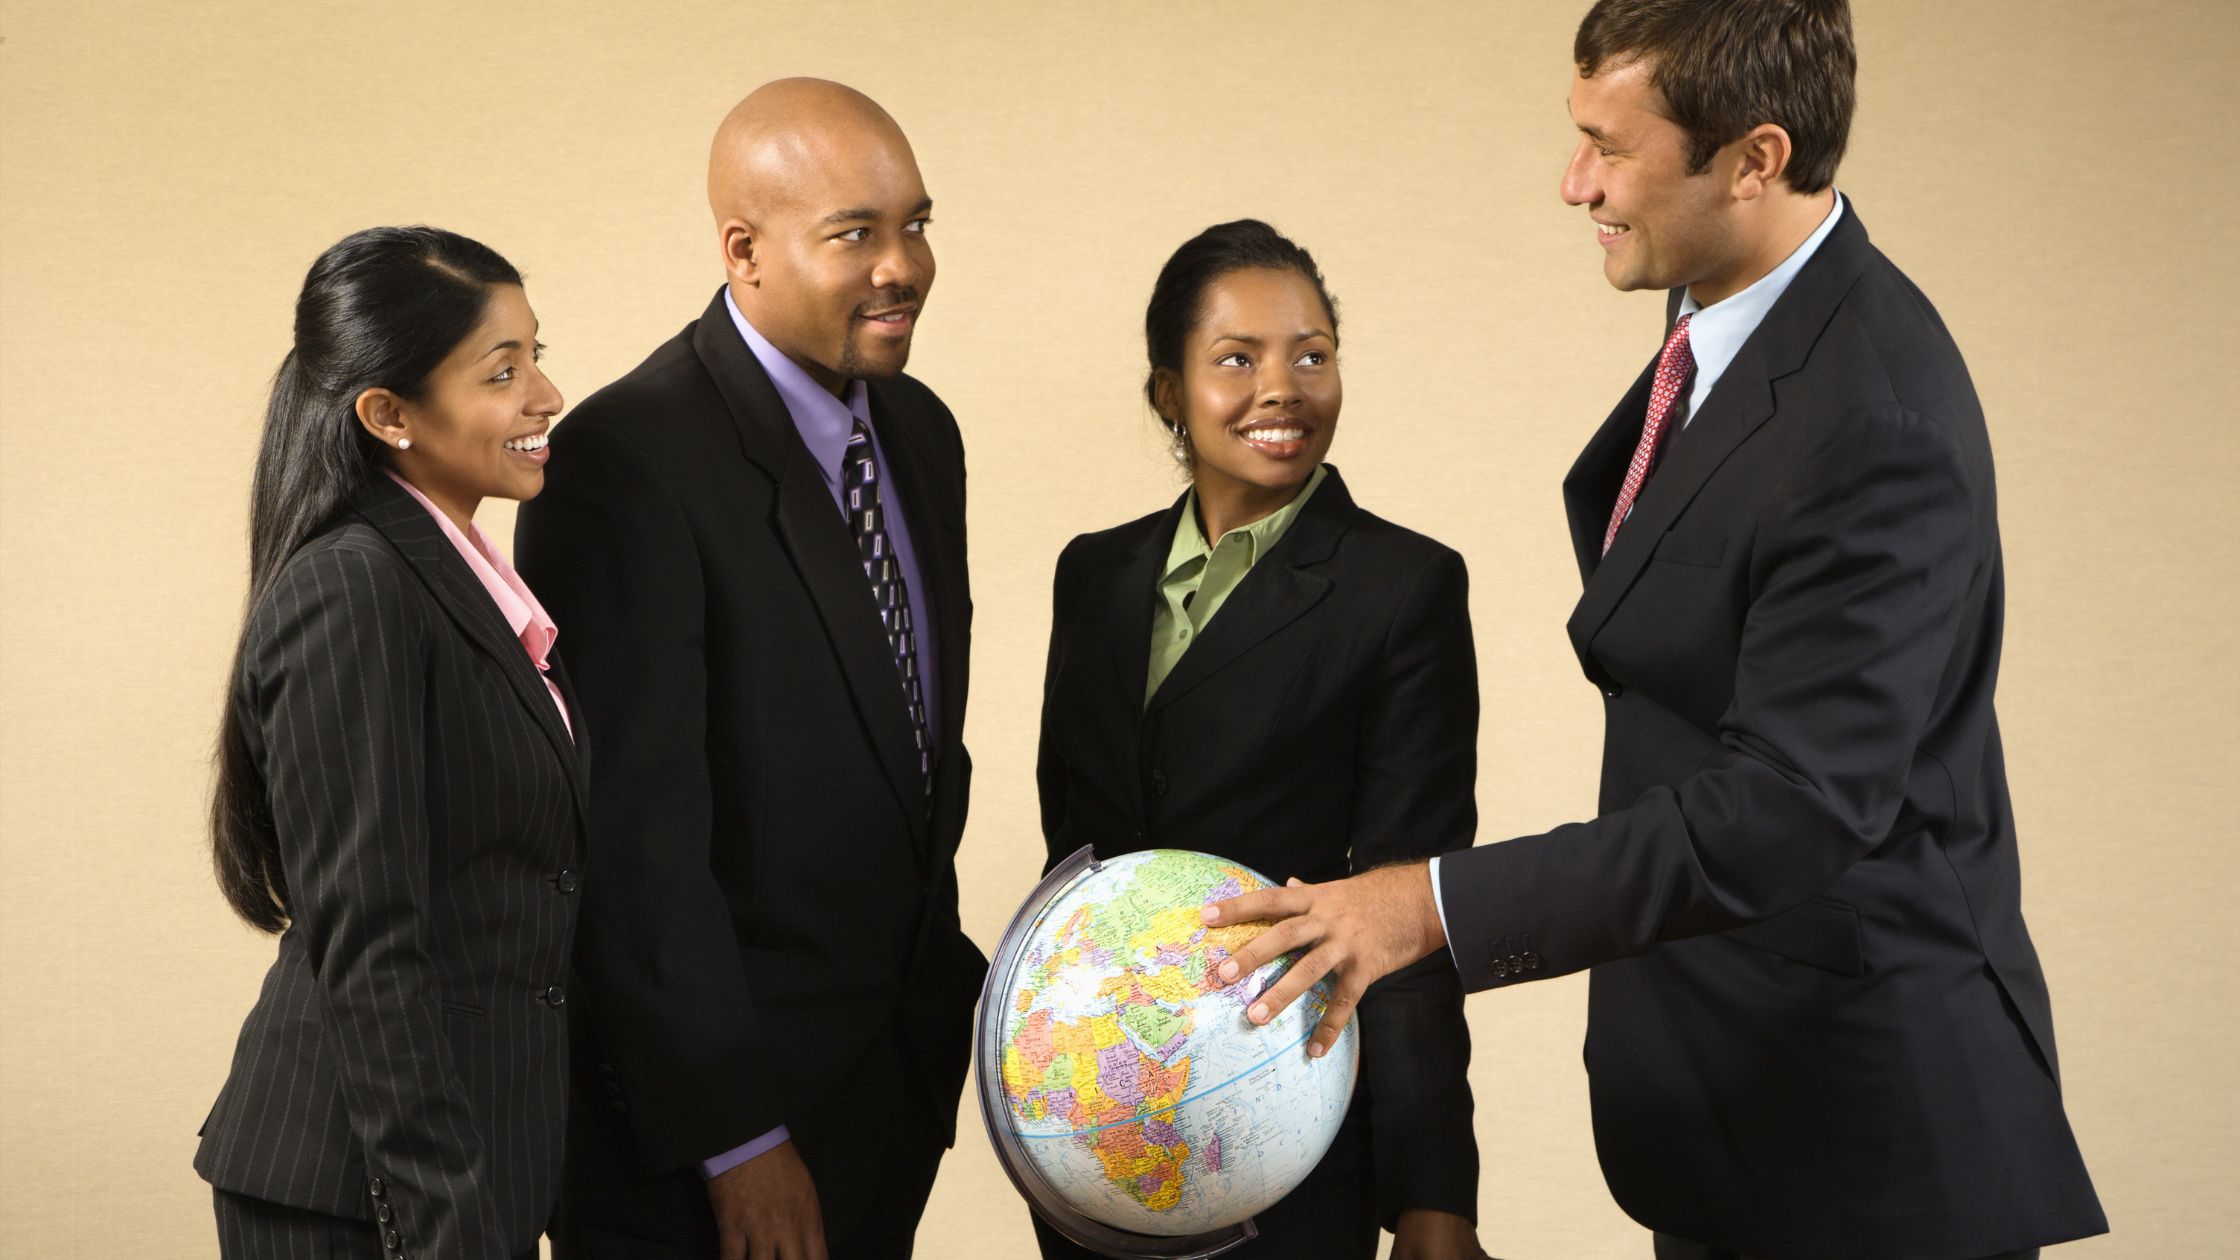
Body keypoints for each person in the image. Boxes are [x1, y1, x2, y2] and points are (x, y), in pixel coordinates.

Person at [1203, 3, 2109, 1259]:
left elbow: (1788, 805)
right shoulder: (1720, 307)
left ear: (1755, 159)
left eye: (1610, 151)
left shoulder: (1871, 420)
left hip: (1857, 1138)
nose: (1572, 183)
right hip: (1723, 1099)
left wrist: (1429, 907)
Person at [514, 79, 983, 1260]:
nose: (902, 266)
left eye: (915, 224)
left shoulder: (919, 433)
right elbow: (633, 842)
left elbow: (912, 747)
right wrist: (736, 1139)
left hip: (890, 1090)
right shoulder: (623, 462)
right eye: (854, 234)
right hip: (714, 1140)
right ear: (743, 250)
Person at [1032, 220, 1488, 1260]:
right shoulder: (1093, 576)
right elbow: (1075, 861)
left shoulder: (1401, 589)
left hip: (1283, 1119)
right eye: (1236, 359)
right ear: (1167, 393)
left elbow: (1410, 902)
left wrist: (1433, 1197)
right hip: (1100, 1114)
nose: (1282, 387)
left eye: (1311, 354)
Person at [195, 225, 583, 1260]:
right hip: (361, 1191)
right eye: (503, 372)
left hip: (464, 1170)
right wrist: (444, 1222)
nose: (544, 395)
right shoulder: (353, 586)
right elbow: (370, 945)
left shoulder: (460, 582)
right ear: (388, 415)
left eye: (538, 355)